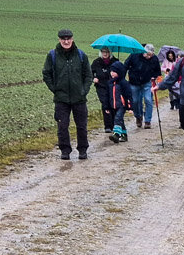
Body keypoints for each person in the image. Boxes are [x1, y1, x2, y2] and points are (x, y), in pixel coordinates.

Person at [43, 29, 92, 160]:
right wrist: (55, 89)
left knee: (81, 126)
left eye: (68, 39)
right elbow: (46, 74)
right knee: (62, 126)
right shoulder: (52, 55)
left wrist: (84, 90)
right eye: (63, 39)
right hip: (61, 98)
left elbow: (88, 75)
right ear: (59, 40)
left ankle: (82, 150)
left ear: (72, 39)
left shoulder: (81, 55)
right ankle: (65, 151)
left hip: (79, 98)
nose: (66, 41)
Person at [123, 42, 162, 130]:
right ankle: (138, 116)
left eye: (150, 55)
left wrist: (154, 77)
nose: (148, 57)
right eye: (147, 54)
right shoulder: (134, 55)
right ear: (143, 51)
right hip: (134, 82)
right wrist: (122, 77)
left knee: (148, 100)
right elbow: (126, 65)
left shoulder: (154, 59)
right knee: (136, 101)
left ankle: (147, 121)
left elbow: (158, 71)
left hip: (147, 82)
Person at [92, 46, 125, 139]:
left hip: (113, 86)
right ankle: (107, 126)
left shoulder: (115, 61)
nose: (105, 54)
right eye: (103, 52)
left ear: (110, 53)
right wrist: (93, 78)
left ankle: (115, 124)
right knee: (104, 104)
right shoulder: (96, 62)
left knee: (113, 104)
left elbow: (122, 72)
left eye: (106, 52)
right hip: (101, 86)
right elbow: (90, 72)